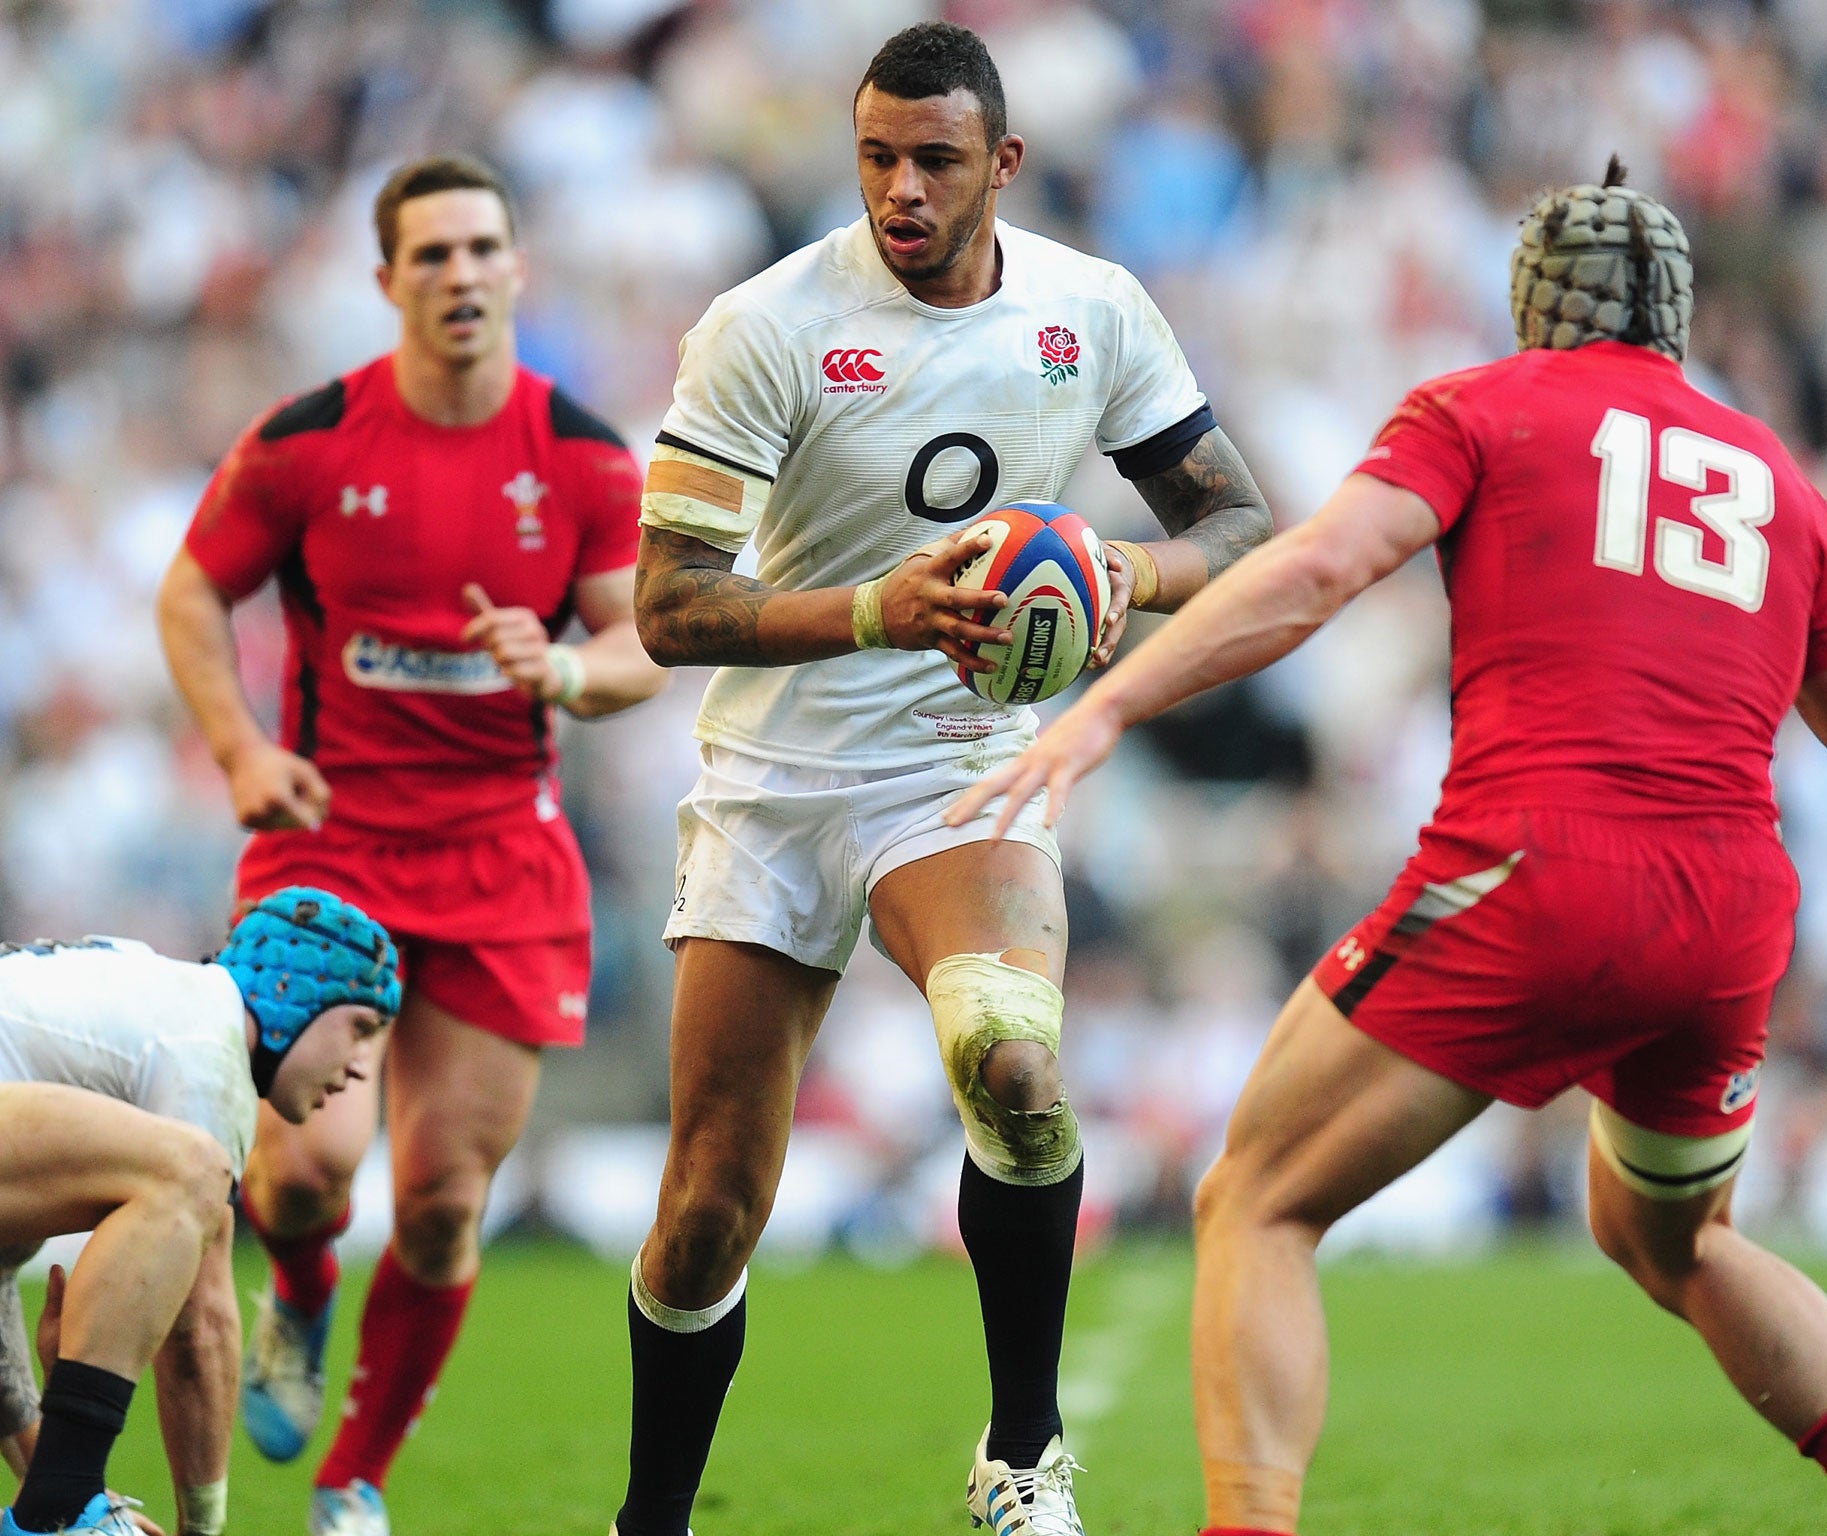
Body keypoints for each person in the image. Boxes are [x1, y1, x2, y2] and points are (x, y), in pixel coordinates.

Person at [950, 162, 1827, 1536]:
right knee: (1676, 1236)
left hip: (1534, 873)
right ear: (1678, 320)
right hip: (1728, 916)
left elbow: (1321, 570)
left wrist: (1108, 700)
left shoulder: (1482, 406)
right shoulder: (1779, 479)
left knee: (1258, 1197)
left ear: (1532, 299)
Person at [618, 20, 1271, 1536]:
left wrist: (1128, 566)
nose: (900, 190)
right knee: (711, 1210)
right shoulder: (766, 323)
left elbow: (1241, 529)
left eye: (934, 161)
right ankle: (650, 1516)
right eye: (876, 158)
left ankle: (1021, 1461)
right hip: (779, 778)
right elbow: (667, 607)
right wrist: (873, 607)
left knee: (1017, 1069)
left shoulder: (1093, 311)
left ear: (1005, 165)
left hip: (961, 765)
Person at [155, 155, 665, 1536]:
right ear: (386, 281)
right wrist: (245, 752)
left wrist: (564, 675)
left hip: (505, 859)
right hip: (331, 853)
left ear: (517, 269)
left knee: (441, 1202)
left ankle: (353, 1482)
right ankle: (303, 1294)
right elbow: (195, 595)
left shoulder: (585, 457)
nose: (458, 274)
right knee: (304, 1182)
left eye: (480, 248)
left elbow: (638, 647)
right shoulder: (309, 441)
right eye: (428, 254)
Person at [0, 888, 399, 1536]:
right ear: (295, 993)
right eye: (361, 1027)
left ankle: (62, 1502)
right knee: (191, 1169)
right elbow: (201, 1327)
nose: (359, 1067)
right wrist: (201, 1528)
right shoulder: (208, 1047)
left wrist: (47, 1473)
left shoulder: (145, 1001)